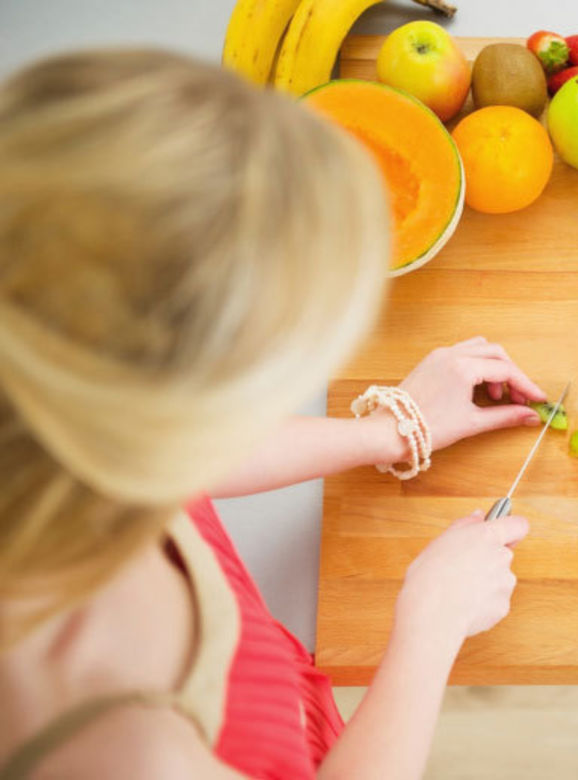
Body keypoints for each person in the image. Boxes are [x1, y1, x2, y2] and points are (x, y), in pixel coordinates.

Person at [0, 50, 546, 779]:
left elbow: (181, 459)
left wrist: (393, 425)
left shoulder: (42, 390)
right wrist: (431, 623)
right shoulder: (119, 745)